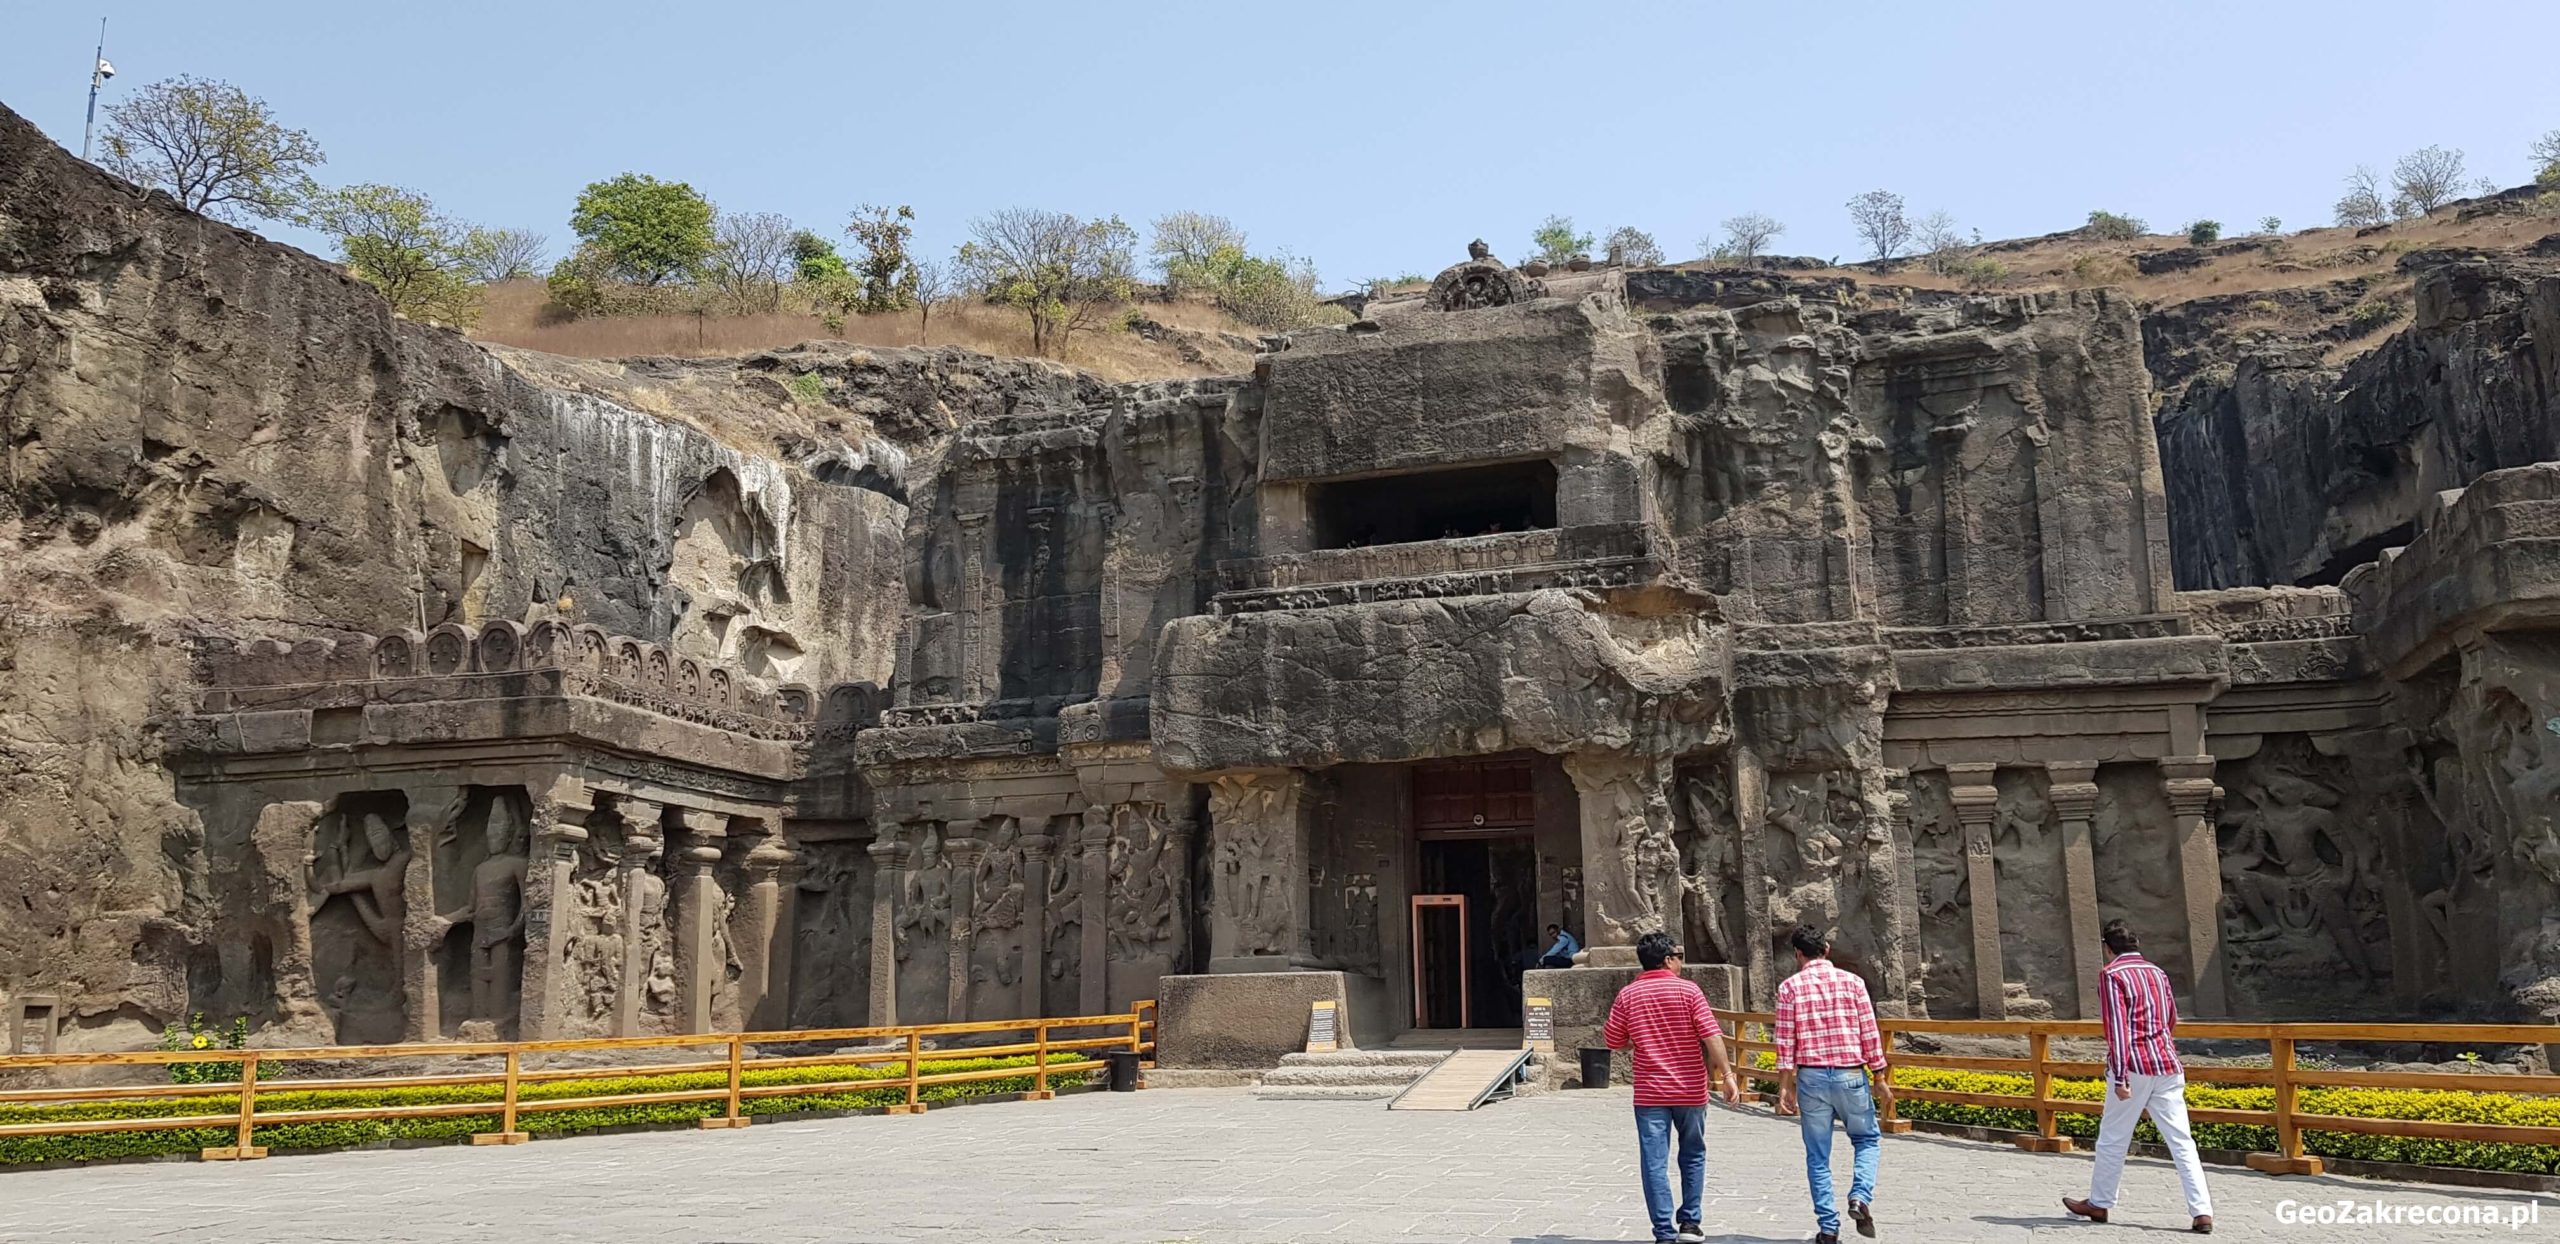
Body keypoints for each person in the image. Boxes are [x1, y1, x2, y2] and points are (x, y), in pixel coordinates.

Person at [2065, 920, 2214, 1234]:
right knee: (2182, 1141)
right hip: (2167, 1063)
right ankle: (2202, 1212)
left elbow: (2117, 1028)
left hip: (2133, 1066)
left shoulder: (2112, 975)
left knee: (2113, 1139)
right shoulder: (2158, 974)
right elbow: (2171, 1017)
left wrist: (2120, 1076)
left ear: (2108, 947)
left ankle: (2100, 1203)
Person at [1604, 932, 1741, 1244]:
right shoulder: (1688, 991)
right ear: (1667, 959)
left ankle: (1663, 1232)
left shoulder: (1628, 995)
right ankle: (1690, 1223)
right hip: (1691, 1089)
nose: (1681, 961)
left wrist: (1635, 1041)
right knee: (1693, 1153)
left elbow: (1612, 1040)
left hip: (1650, 1091)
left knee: (1654, 1161)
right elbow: (1711, 1035)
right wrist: (1728, 1075)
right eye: (1679, 955)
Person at [1773, 924, 1891, 1244]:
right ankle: (1859, 1197)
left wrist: (1785, 1086)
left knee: (1817, 1155)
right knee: (1866, 1139)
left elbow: (1785, 1040)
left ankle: (1828, 1229)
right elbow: (1869, 1030)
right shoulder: (1853, 983)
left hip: (1811, 1076)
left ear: (1798, 954)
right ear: (1826, 949)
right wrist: (1879, 1075)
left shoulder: (1789, 987)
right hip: (1851, 1073)